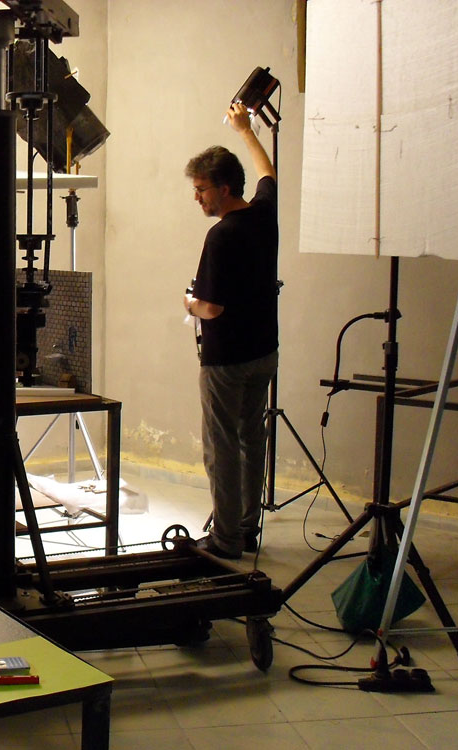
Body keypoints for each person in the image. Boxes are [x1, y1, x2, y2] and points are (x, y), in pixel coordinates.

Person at [183, 101, 279, 560]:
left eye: (201, 190)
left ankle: (224, 540)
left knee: (221, 448)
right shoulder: (264, 212)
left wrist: (188, 302)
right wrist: (245, 129)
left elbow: (211, 307)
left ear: (223, 189)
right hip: (264, 352)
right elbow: (267, 172)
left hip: (225, 363)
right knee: (250, 440)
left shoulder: (220, 236)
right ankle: (245, 527)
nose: (197, 198)